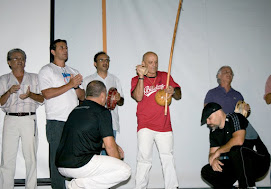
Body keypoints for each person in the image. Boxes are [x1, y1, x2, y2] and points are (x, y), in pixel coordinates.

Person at [55, 80, 131, 189]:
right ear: (103, 95)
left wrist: (115, 145)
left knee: (97, 177)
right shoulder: (102, 112)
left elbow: (87, 139)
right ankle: (77, 185)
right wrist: (118, 164)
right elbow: (109, 147)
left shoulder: (75, 110)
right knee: (124, 170)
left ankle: (79, 184)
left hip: (62, 165)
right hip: (80, 164)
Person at [131, 51, 182, 189]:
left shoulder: (165, 76)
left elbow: (179, 94)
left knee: (168, 158)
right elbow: (138, 97)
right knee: (144, 160)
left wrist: (173, 90)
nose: (154, 65)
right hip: (145, 124)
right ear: (143, 63)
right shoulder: (136, 79)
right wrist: (141, 77)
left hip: (164, 125)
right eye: (150, 62)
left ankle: (172, 187)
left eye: (156, 62)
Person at [38, 39, 85, 188]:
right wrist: (70, 84)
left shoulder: (73, 71)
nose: (65, 50)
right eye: (61, 47)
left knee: (74, 158)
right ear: (53, 52)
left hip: (73, 122)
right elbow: (47, 94)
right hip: (56, 121)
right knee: (56, 160)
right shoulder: (47, 70)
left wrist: (76, 87)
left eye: (66, 47)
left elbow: (82, 96)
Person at [0, 48, 44, 189]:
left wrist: (30, 94)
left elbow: (42, 98)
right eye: (16, 58)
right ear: (9, 62)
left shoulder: (34, 78)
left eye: (22, 58)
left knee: (31, 157)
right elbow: (1, 102)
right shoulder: (3, 79)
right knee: (7, 159)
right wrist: (9, 91)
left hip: (28, 119)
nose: (19, 61)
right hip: (10, 119)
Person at [200, 102, 270, 189]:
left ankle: (249, 186)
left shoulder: (235, 117)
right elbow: (212, 155)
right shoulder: (214, 131)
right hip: (237, 166)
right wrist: (214, 160)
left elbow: (239, 140)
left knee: (236, 149)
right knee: (206, 171)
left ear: (218, 113)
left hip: (259, 162)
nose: (207, 122)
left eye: (209, 118)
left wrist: (218, 152)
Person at [83, 51, 124, 140]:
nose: (105, 62)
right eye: (101, 60)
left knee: (109, 151)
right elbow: (83, 101)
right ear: (95, 63)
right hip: (93, 122)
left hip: (111, 122)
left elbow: (121, 102)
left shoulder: (115, 79)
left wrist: (118, 98)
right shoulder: (88, 80)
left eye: (107, 60)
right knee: (95, 152)